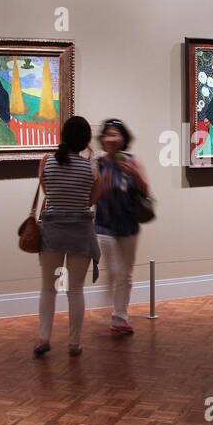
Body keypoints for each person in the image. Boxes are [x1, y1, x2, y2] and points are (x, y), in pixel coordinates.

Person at [35, 116, 103, 356]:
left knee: (48, 289)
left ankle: (43, 338)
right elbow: (91, 200)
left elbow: (47, 192)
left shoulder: (47, 162)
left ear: (63, 135)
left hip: (52, 233)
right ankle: (74, 342)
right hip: (80, 234)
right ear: (85, 140)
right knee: (75, 291)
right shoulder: (91, 168)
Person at [95, 119, 150, 336]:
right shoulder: (97, 164)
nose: (112, 138)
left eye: (116, 134)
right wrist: (103, 181)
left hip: (129, 224)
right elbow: (92, 197)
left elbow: (145, 190)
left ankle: (120, 318)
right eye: (108, 134)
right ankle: (114, 305)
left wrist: (133, 173)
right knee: (116, 270)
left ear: (123, 138)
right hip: (103, 225)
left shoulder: (132, 161)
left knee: (125, 273)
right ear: (102, 139)